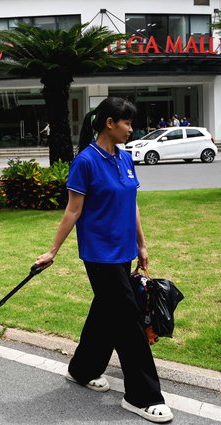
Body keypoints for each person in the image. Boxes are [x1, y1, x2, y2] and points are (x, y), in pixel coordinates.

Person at [34, 97, 173, 423]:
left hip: (123, 252)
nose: (131, 128)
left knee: (106, 312)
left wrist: (142, 244)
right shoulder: (86, 162)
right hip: (99, 255)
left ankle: (81, 370)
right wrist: (52, 251)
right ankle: (143, 396)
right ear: (109, 122)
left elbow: (132, 202)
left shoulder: (125, 159)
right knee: (128, 322)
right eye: (127, 123)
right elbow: (73, 209)